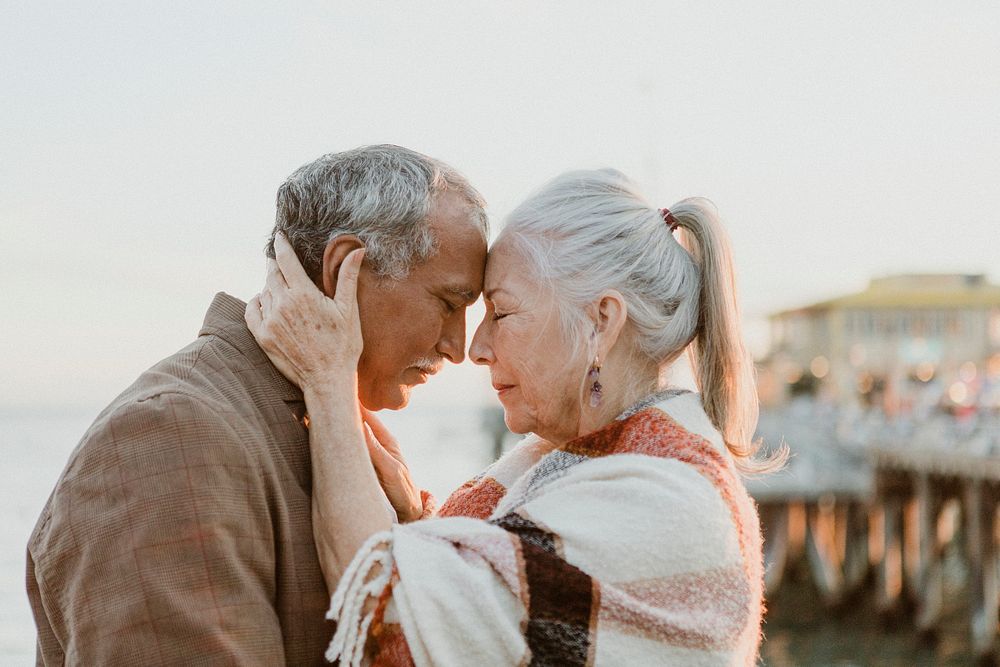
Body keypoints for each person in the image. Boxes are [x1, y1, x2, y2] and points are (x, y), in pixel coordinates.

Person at [248, 168, 781, 666]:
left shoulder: (662, 500)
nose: (475, 348)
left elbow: (387, 615)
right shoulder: (605, 458)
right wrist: (415, 519)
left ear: (601, 322)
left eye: (500, 313)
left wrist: (327, 380)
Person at [26, 145, 488, 665]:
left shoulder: (324, 421)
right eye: (449, 304)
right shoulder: (171, 435)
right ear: (344, 269)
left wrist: (411, 527)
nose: (459, 346)